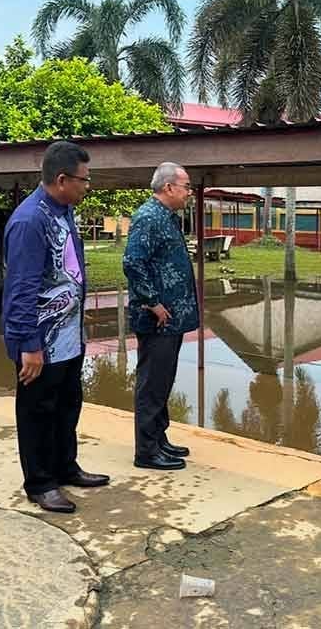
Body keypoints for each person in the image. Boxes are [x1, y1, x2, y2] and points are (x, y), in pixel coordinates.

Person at [2, 141, 109, 513]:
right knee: (37, 411)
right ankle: (40, 482)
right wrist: (29, 345)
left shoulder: (62, 211)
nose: (87, 186)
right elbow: (21, 289)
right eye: (84, 179)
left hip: (68, 337)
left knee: (67, 405)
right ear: (61, 179)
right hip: (41, 342)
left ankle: (65, 466)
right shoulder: (30, 221)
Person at [122, 163, 198, 471]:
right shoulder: (149, 217)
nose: (189, 192)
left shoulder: (167, 218)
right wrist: (153, 303)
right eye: (186, 186)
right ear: (168, 187)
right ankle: (146, 451)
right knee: (152, 384)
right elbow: (132, 262)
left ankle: (159, 438)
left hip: (172, 319)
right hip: (157, 318)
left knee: (163, 381)